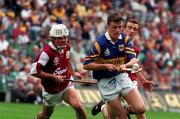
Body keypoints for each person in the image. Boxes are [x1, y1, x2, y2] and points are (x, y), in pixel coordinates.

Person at [83, 12, 146, 119]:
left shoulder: (125, 39)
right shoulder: (100, 43)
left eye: (119, 27)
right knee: (119, 116)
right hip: (106, 82)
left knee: (140, 109)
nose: (117, 30)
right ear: (108, 26)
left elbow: (133, 59)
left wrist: (125, 65)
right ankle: (105, 107)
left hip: (121, 77)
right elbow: (86, 65)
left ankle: (121, 110)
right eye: (114, 27)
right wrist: (105, 66)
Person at [30, 24, 88, 119]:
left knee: (79, 107)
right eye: (59, 38)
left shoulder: (67, 46)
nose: (63, 40)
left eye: (65, 37)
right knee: (45, 115)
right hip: (51, 90)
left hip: (66, 84)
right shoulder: (46, 53)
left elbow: (67, 59)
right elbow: (34, 71)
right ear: (52, 38)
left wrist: (73, 73)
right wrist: (54, 77)